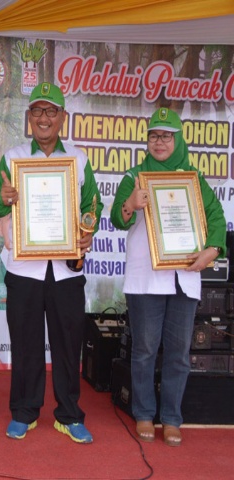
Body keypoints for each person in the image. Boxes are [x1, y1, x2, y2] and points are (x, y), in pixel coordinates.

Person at [0, 82, 103, 444]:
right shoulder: (13, 158)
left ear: (62, 117)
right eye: (37, 110)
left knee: (68, 345)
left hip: (66, 270)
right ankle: (24, 412)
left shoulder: (78, 160)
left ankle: (69, 415)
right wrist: (4, 198)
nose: (44, 118)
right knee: (25, 344)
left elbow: (92, 205)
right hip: (24, 269)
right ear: (29, 117)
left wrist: (87, 231)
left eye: (51, 111)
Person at [110, 107, 225, 446]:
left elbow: (216, 217)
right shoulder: (135, 177)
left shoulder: (193, 178)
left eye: (166, 136)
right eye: (153, 136)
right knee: (145, 349)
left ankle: (172, 418)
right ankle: (144, 413)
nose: (159, 142)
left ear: (178, 140)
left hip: (183, 277)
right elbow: (117, 217)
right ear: (146, 140)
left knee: (178, 352)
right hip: (146, 278)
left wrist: (213, 249)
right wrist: (130, 204)